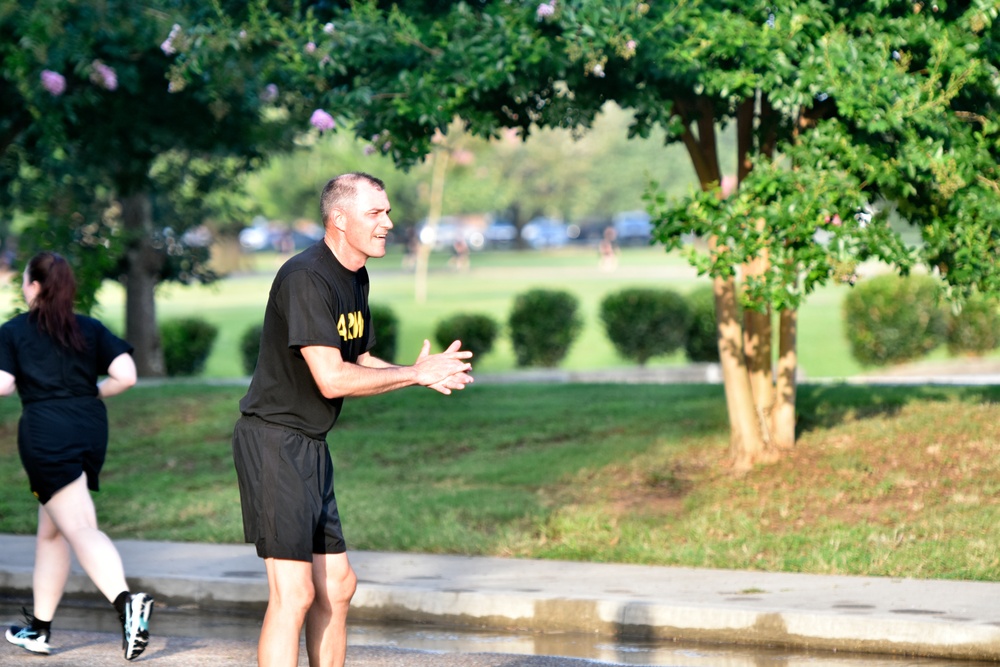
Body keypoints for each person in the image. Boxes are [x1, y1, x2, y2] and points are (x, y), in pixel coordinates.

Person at [232, 172, 474, 667]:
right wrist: (412, 374)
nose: (388, 222)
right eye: (375, 213)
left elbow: (357, 360)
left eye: (386, 212)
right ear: (339, 219)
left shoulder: (354, 275)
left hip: (309, 443)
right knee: (295, 593)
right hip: (275, 441)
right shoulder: (306, 278)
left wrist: (420, 375)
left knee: (338, 587)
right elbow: (331, 379)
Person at [0, 251, 153, 660]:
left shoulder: (14, 330)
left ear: (32, 286)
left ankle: (127, 603)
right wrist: (90, 392)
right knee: (52, 531)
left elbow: (3, 385)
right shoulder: (88, 327)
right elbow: (127, 376)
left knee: (80, 525)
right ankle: (39, 628)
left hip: (46, 433)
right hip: (89, 428)